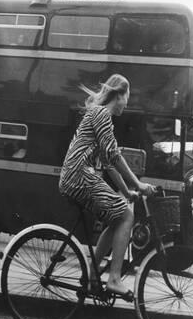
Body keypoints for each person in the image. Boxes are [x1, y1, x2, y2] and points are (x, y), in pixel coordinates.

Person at [59, 74, 156, 301]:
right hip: (79, 176)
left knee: (118, 215)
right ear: (119, 94)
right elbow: (114, 155)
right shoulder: (102, 114)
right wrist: (139, 185)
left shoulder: (97, 114)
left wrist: (127, 190)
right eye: (127, 99)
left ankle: (93, 274)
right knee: (126, 217)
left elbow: (107, 162)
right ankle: (113, 279)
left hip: (76, 176)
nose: (126, 105)